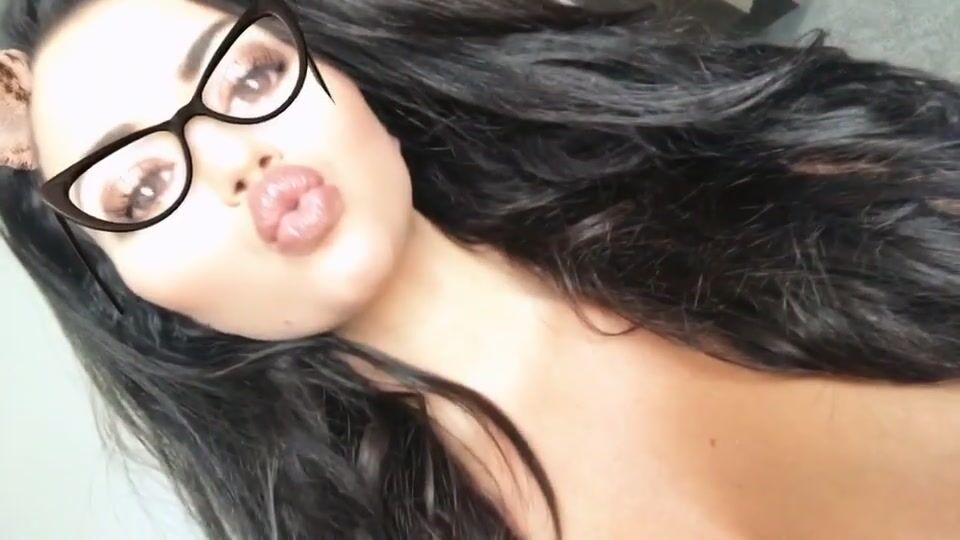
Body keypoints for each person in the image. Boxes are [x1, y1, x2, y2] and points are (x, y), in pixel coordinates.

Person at [2, 0, 960, 538]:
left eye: (250, 75)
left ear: (346, 80)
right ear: (134, 293)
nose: (232, 153)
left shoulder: (776, 174)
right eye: (140, 185)